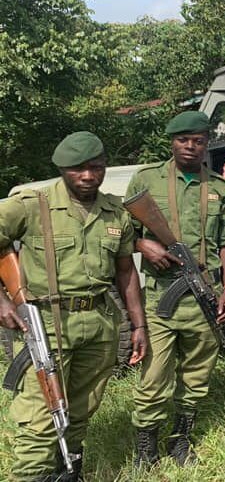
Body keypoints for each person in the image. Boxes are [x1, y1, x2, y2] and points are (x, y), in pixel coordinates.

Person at [0, 132, 148, 481]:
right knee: (40, 416)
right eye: (77, 169)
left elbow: (126, 272)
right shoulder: (31, 204)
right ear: (62, 170)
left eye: (95, 168)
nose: (87, 176)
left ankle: (68, 471)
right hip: (46, 323)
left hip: (100, 322)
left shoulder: (115, 212)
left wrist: (139, 325)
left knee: (80, 410)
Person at [127, 112, 225, 467]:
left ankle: (181, 439)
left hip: (204, 293)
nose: (191, 147)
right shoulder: (147, 181)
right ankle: (147, 447)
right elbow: (119, 230)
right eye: (183, 140)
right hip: (161, 296)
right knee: (154, 377)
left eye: (199, 141)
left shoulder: (219, 187)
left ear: (207, 143)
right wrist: (144, 246)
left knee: (196, 376)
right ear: (171, 141)